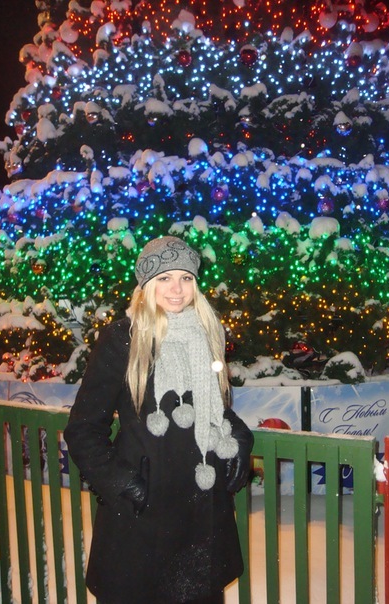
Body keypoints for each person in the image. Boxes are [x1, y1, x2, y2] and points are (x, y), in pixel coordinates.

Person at [64, 235, 254, 604]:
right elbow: (83, 428)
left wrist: (240, 439)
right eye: (165, 278)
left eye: (185, 278)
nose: (176, 289)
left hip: (200, 517)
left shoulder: (206, 333)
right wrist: (123, 483)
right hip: (142, 519)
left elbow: (213, 408)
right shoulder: (123, 338)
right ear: (147, 284)